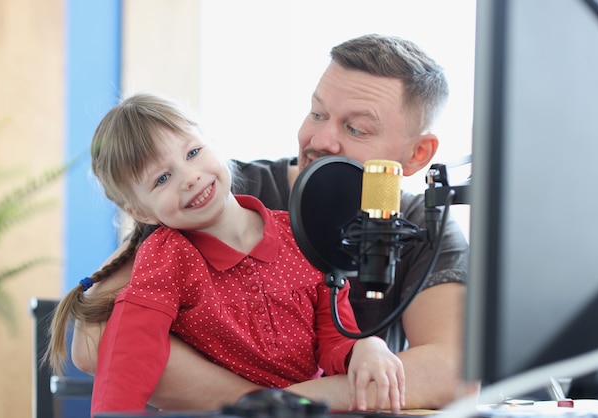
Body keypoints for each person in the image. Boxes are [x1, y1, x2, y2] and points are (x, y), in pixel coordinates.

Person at [70, 33, 470, 410]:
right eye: (317, 113)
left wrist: (288, 403)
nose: (321, 140)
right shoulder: (202, 201)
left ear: (419, 153)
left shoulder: (424, 223)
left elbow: (454, 372)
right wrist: (269, 407)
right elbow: (95, 340)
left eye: (355, 128)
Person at [48, 93, 406, 415]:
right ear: (142, 213)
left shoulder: (301, 236)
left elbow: (335, 339)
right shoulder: (166, 255)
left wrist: (365, 348)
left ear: (214, 144)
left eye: (192, 153)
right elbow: (131, 351)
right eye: (161, 179)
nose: (189, 177)